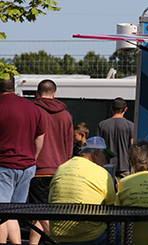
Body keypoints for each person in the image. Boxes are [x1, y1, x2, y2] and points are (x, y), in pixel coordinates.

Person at [28, 79, 74, 245]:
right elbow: (70, 146)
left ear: (37, 93)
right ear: (54, 94)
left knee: (39, 212)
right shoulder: (66, 115)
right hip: (60, 170)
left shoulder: (33, 111)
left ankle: (58, 240)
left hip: (38, 169)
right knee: (42, 213)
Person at [0, 75, 45, 245]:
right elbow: (40, 137)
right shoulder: (31, 107)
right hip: (27, 167)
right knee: (13, 213)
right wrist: (33, 158)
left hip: (4, 165)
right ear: (13, 85)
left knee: (2, 213)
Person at [49, 137, 117, 245]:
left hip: (58, 236)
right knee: (118, 228)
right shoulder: (103, 174)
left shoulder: (61, 168)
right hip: (89, 237)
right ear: (96, 154)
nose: (105, 163)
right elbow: (111, 210)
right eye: (106, 157)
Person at [97, 97, 134, 179]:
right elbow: (133, 146)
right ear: (125, 109)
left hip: (106, 166)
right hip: (125, 167)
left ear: (112, 108)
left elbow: (98, 147)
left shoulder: (102, 125)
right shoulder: (130, 125)